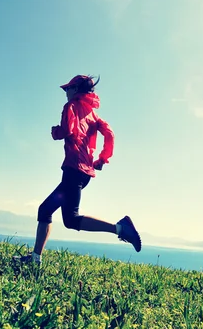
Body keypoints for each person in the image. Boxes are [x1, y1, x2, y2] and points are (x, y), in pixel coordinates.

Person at [14, 75, 141, 267]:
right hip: (84, 171)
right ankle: (35, 258)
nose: (65, 93)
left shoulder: (71, 107)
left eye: (67, 89)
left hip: (74, 169)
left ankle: (121, 228)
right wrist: (102, 159)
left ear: (75, 89)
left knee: (64, 217)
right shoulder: (94, 115)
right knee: (50, 212)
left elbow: (68, 130)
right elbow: (110, 134)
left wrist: (56, 132)